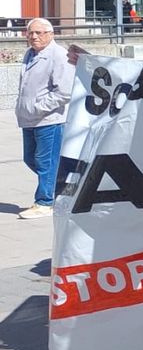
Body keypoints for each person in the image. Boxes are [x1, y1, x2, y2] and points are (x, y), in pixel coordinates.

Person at [15, 19, 72, 220]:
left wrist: (38, 107)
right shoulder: (30, 54)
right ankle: (61, 189)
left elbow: (64, 91)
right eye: (30, 33)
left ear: (51, 34)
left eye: (39, 33)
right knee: (30, 158)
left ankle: (45, 202)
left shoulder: (59, 55)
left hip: (49, 119)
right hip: (29, 119)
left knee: (45, 161)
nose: (34, 37)